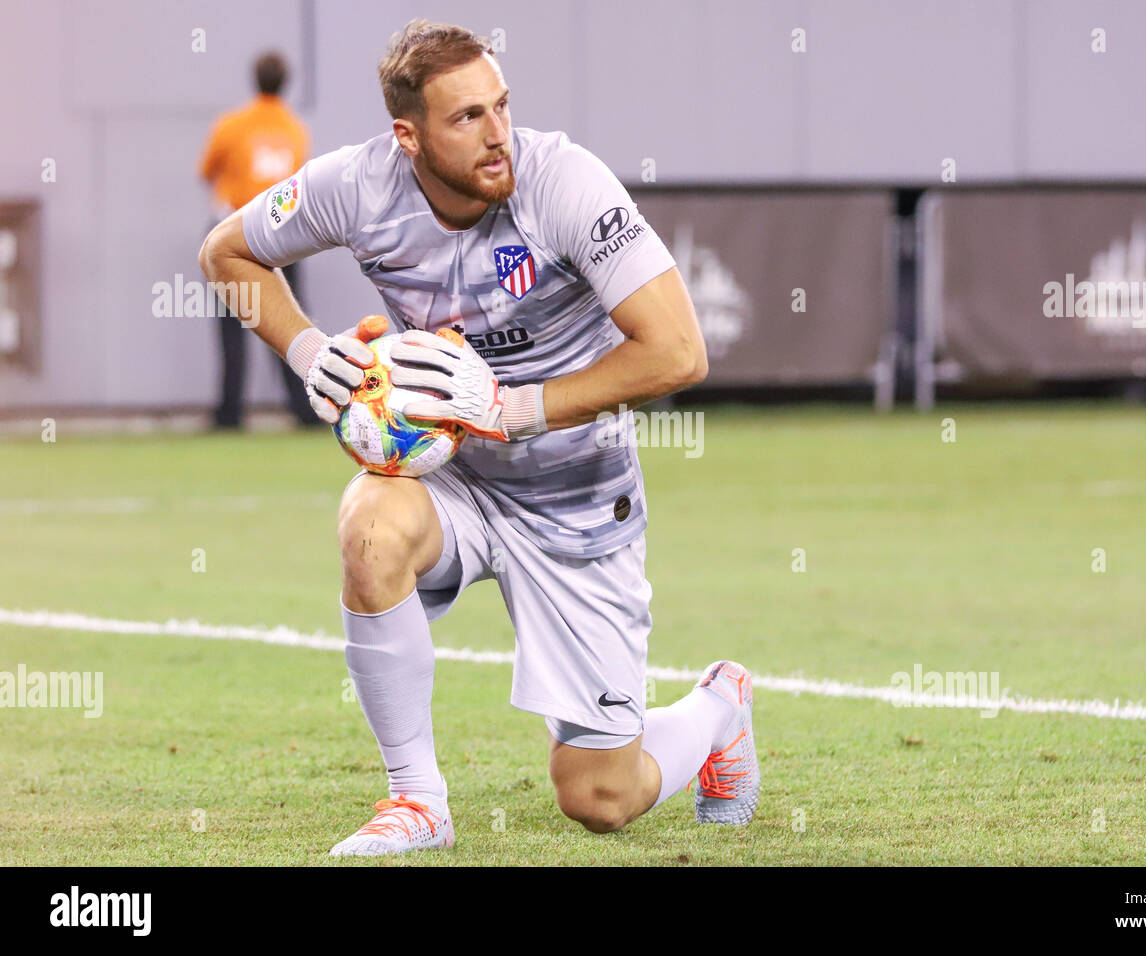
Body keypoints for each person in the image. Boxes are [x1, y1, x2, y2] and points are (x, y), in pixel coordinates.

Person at [199, 19, 758, 855]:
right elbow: (226, 252)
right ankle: (417, 802)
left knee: (601, 798)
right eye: (467, 118)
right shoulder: (357, 186)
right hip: (452, 473)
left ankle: (718, 708)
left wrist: (514, 407)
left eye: (502, 106)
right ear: (408, 135)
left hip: (575, 494)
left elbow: (679, 352)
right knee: (368, 527)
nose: (498, 135)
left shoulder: (565, 184)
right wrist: (309, 350)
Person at [199, 51, 316, 428]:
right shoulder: (295, 129)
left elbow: (207, 170)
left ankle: (229, 414)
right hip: (283, 239)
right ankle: (304, 410)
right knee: (286, 321)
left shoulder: (231, 125)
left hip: (236, 237)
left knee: (232, 327)